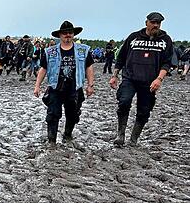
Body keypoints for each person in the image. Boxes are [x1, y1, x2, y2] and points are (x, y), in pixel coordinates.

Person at [110, 12, 174, 146]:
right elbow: (121, 57)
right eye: (153, 22)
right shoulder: (134, 37)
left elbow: (166, 63)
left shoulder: (165, 40)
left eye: (158, 23)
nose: (155, 25)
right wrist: (114, 76)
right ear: (146, 23)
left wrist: (159, 79)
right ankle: (120, 134)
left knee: (144, 110)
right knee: (124, 102)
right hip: (130, 78)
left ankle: (133, 139)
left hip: (150, 81)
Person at [33, 21, 95, 145]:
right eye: (65, 33)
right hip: (56, 87)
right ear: (60, 35)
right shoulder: (50, 51)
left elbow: (89, 67)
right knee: (52, 114)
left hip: (75, 87)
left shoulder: (83, 50)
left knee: (73, 114)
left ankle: (67, 134)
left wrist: (90, 85)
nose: (67, 35)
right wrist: (37, 86)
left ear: (74, 34)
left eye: (70, 33)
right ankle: (52, 140)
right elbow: (43, 68)